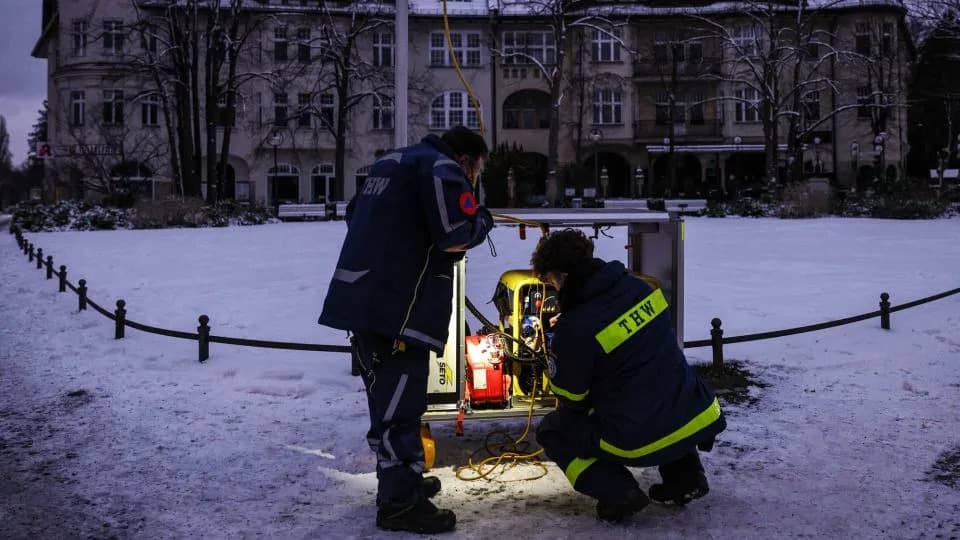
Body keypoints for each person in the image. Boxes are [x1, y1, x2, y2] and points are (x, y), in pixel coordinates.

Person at [318, 126, 494, 534]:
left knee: (385, 402)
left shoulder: (391, 162)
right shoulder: (442, 168)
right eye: (476, 171)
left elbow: (354, 215)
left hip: (362, 298)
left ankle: (401, 482)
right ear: (466, 159)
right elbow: (456, 233)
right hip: (399, 307)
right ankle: (400, 504)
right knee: (400, 408)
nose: (473, 178)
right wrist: (482, 218)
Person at [530, 228, 726, 523]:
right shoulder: (638, 288)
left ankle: (619, 493)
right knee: (659, 390)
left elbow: (572, 398)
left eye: (549, 281)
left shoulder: (575, 327)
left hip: (638, 435)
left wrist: (560, 354)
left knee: (554, 430)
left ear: (563, 276)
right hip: (692, 411)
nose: (551, 288)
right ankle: (686, 479)